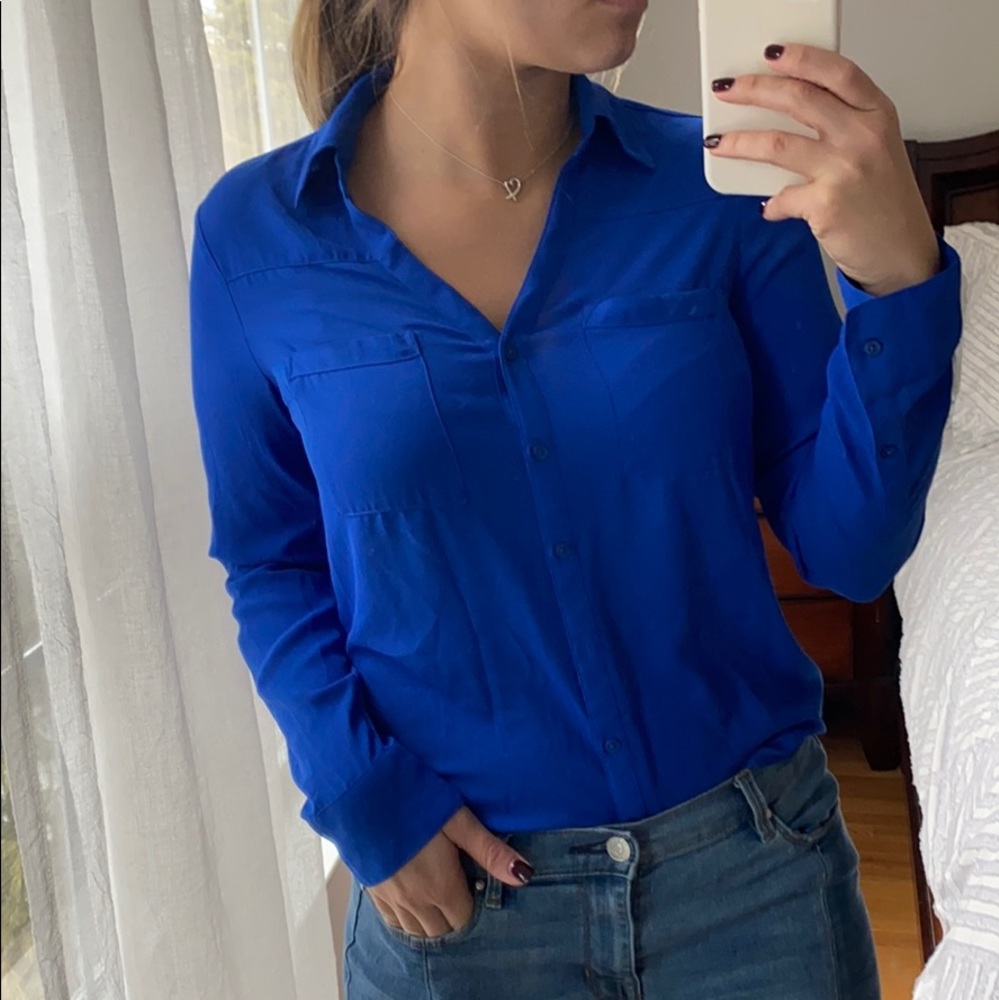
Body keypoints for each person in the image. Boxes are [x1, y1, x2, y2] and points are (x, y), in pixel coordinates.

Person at [189, 1, 960, 997]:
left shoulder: (720, 188)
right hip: (460, 914)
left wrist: (895, 279)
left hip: (756, 885)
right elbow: (273, 560)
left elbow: (850, 551)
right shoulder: (255, 236)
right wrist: (364, 795)